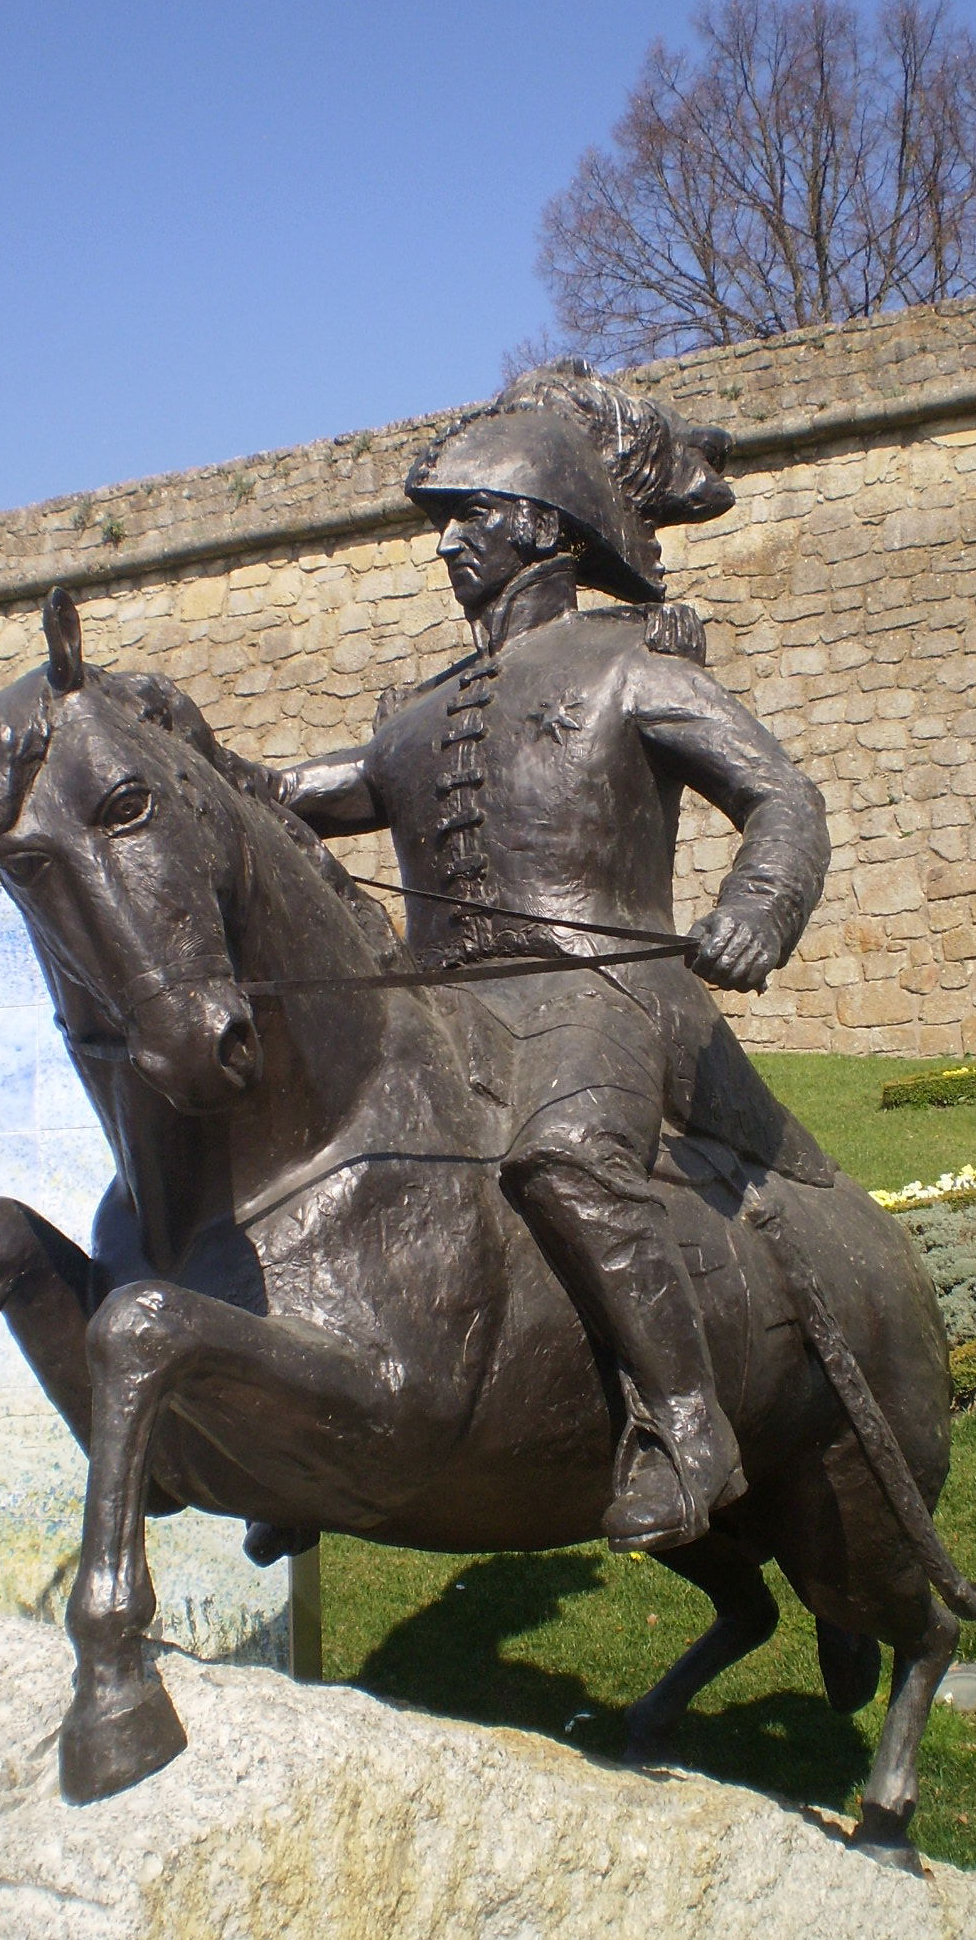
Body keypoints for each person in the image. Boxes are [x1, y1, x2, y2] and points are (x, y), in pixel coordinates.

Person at [271, 364, 831, 1553]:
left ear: (541, 525)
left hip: (600, 990)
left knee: (567, 1157)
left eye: (469, 517)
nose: (447, 546)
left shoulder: (634, 667)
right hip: (442, 1005)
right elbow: (297, 795)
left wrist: (758, 909)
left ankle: (688, 1427)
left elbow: (782, 794)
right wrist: (170, 754)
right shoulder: (417, 715)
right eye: (445, 523)